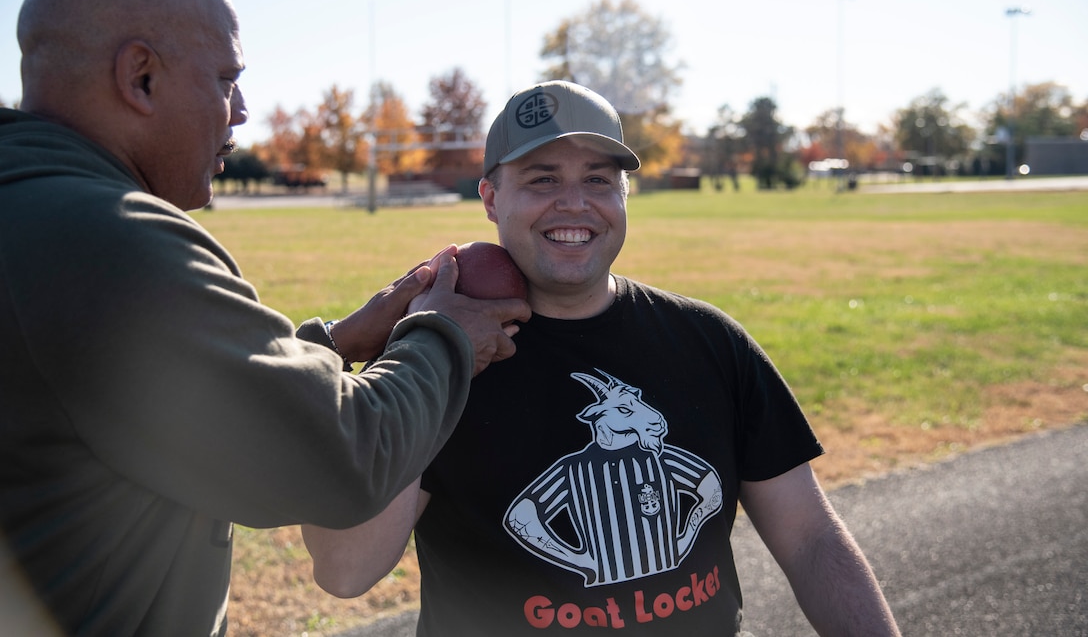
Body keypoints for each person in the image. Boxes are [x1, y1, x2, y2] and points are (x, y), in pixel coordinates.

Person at [0, 0, 530, 637]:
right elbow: (343, 458)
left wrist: (335, 343)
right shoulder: (107, 236)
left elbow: (175, 412)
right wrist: (443, 336)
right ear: (142, 77)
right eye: (224, 78)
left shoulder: (30, 205)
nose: (242, 110)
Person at [302, 80, 902, 636]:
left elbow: (810, 538)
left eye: (597, 179)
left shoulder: (709, 342)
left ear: (624, 194)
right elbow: (345, 569)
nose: (574, 204)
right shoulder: (439, 362)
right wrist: (422, 353)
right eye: (541, 179)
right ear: (489, 198)